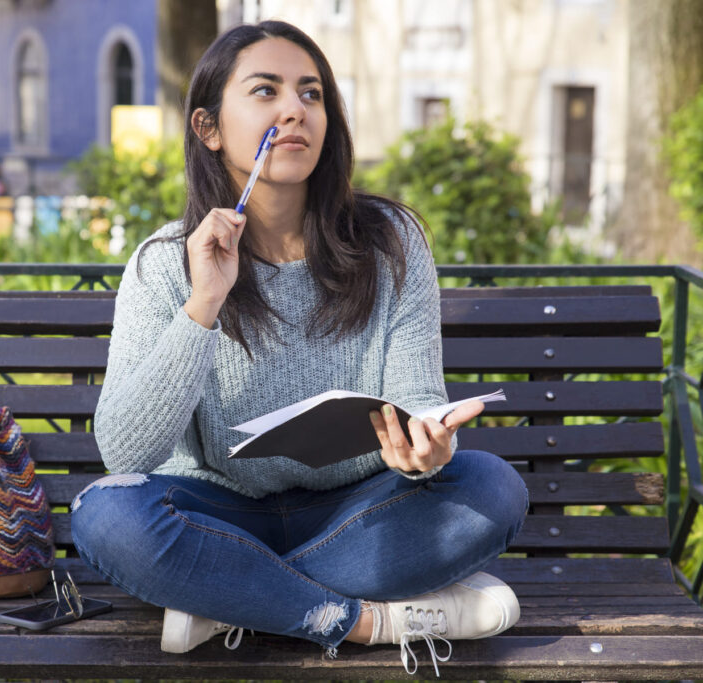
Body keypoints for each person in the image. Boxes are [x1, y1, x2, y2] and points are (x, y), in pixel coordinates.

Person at [70, 20, 528, 675]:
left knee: (491, 487)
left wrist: (425, 451)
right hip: (218, 513)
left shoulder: (391, 242)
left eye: (311, 94)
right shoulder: (166, 262)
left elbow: (418, 400)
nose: (295, 110)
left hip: (357, 513)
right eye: (266, 91)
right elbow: (125, 454)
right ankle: (363, 621)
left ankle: (227, 597)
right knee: (104, 514)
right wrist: (204, 303)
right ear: (208, 127)